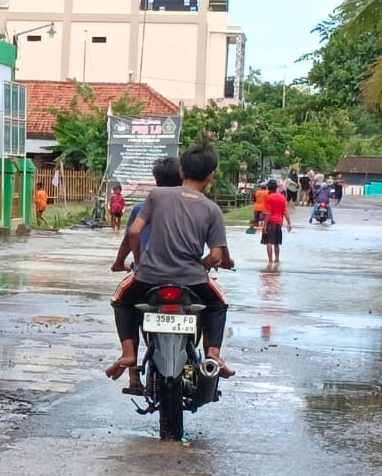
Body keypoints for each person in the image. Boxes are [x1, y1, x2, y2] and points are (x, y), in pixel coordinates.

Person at [105, 144, 235, 385]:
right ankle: (214, 355)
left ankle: (128, 354)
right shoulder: (212, 209)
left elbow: (134, 232)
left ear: (182, 171)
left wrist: (140, 261)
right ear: (211, 176)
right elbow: (216, 256)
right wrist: (202, 265)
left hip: (148, 278)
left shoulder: (157, 196)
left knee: (121, 301)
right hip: (192, 280)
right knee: (217, 304)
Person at [112, 157, 183, 272]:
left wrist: (123, 263)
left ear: (157, 180)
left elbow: (129, 239)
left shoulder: (141, 208)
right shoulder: (193, 208)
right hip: (183, 272)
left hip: (147, 270)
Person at [262, 177, 293, 264]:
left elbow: (268, 213)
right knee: (276, 243)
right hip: (279, 223)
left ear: (268, 188)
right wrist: (289, 223)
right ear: (276, 188)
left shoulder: (269, 198)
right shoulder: (282, 197)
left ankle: (270, 261)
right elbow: (285, 212)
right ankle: (277, 259)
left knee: (269, 242)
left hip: (270, 223)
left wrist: (264, 226)